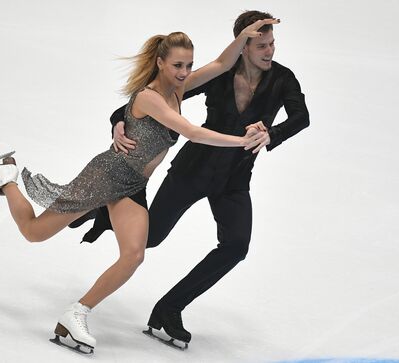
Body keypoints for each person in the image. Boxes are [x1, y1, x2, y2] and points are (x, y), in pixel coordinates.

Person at [0, 20, 277, 354]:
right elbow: (193, 132)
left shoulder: (177, 90)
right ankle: (5, 179)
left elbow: (220, 64)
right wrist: (243, 141)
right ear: (160, 62)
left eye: (188, 65)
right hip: (108, 175)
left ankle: (76, 314)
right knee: (34, 232)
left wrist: (243, 37)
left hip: (133, 184)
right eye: (177, 66)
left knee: (134, 254)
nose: (185, 72)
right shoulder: (150, 97)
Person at [105, 10, 309, 345]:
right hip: (193, 170)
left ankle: (169, 308)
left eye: (272, 44)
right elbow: (156, 95)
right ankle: (104, 207)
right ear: (243, 46)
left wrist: (272, 133)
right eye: (261, 45)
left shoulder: (283, 79)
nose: (270, 51)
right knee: (150, 238)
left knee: (235, 246)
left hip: (234, 177)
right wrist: (118, 120)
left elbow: (301, 117)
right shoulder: (220, 76)